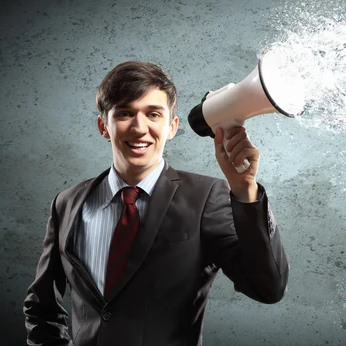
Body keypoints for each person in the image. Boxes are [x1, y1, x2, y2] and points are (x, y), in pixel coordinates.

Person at [23, 61, 289, 346]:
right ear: (104, 126)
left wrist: (245, 191)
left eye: (153, 114)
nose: (139, 128)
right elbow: (42, 307)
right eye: (125, 113)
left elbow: (268, 289)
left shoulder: (207, 197)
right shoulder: (67, 203)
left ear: (172, 127)